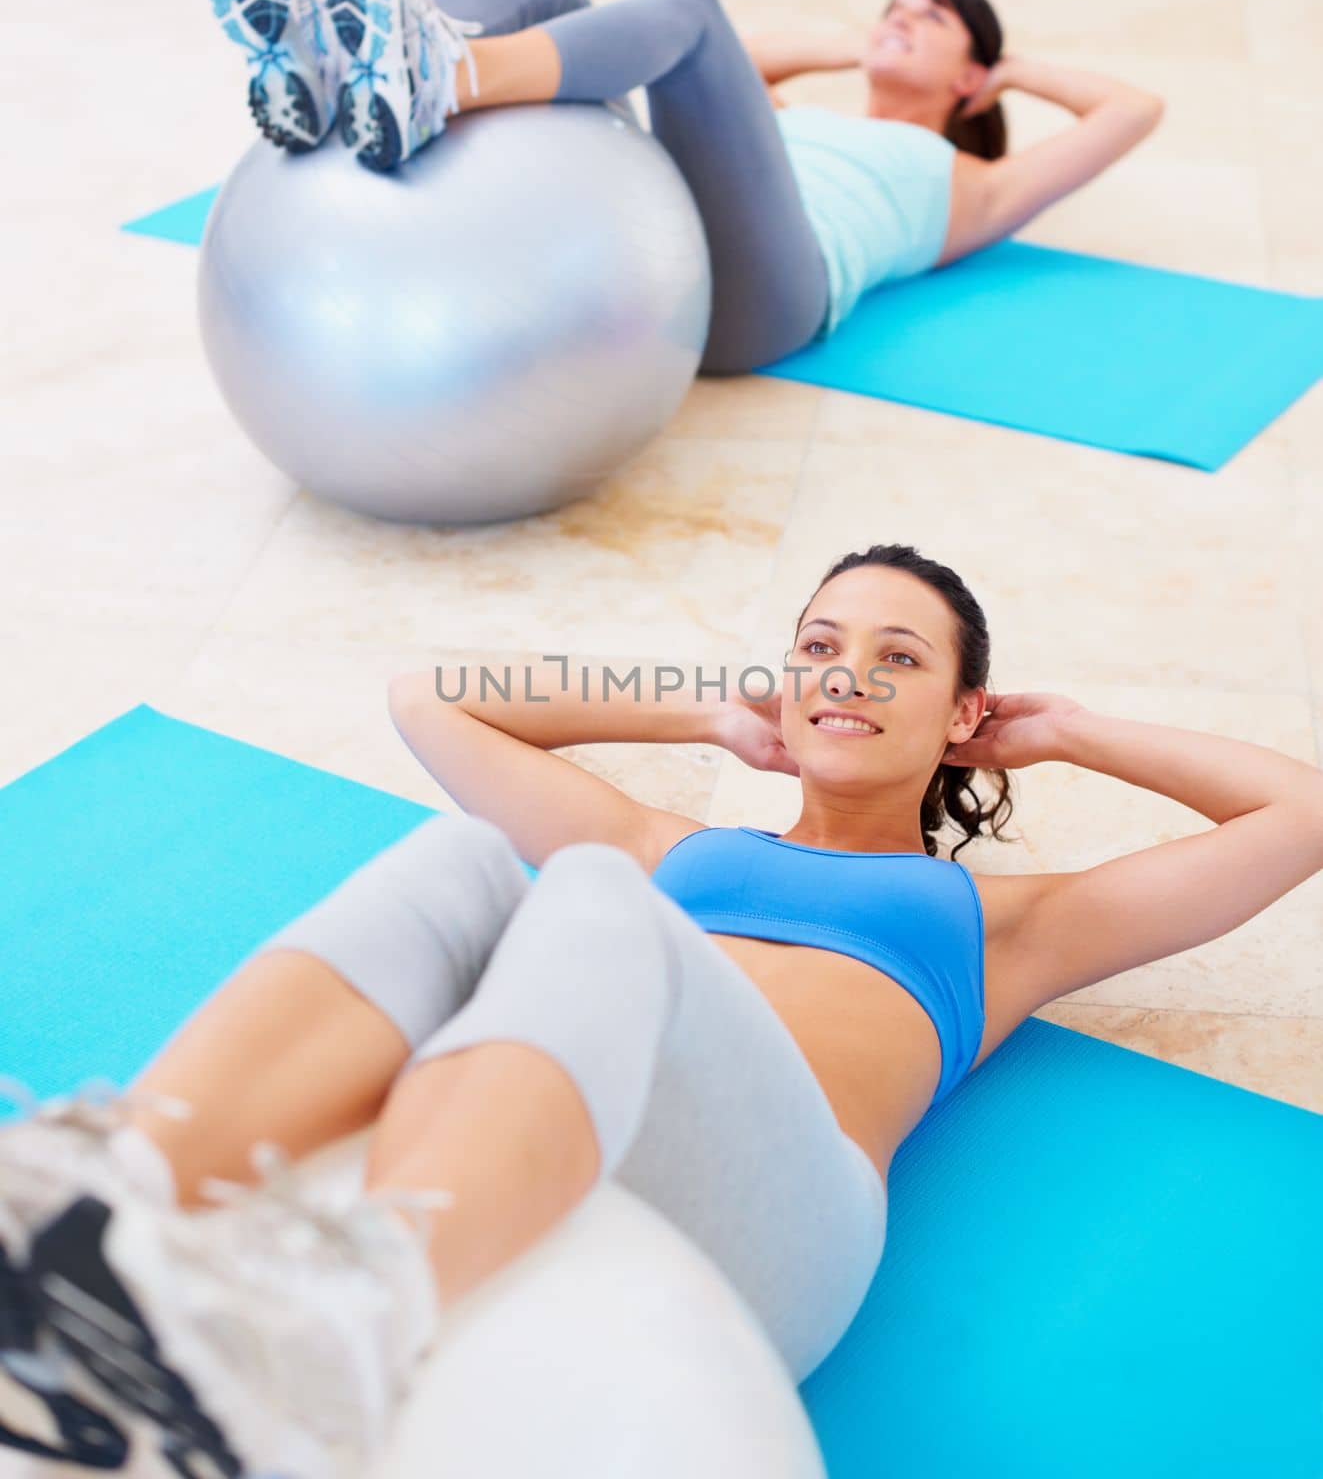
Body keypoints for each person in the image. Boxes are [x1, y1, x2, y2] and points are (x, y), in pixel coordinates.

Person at [4, 541, 1323, 1476]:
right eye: (817, 648)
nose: (844, 676)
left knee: (579, 890)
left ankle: (352, 1320)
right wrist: (699, 708)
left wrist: (1065, 730)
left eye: (895, 658)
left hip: (773, 1223)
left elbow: (1296, 814)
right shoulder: (658, 846)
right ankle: (106, 1187)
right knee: (464, 860)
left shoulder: (1012, 921)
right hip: (570, 1134)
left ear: (958, 713)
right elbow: (430, 697)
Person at [205, 0, 1165, 374]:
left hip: (764, 302)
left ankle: (435, 81)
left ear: (969, 74)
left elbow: (1131, 110)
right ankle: (331, 67)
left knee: (689, 7)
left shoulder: (974, 183)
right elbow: (725, 66)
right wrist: (855, 47)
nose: (898, 18)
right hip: (657, 243)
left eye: (929, 19)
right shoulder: (795, 117)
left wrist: (1008, 72)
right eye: (893, 7)